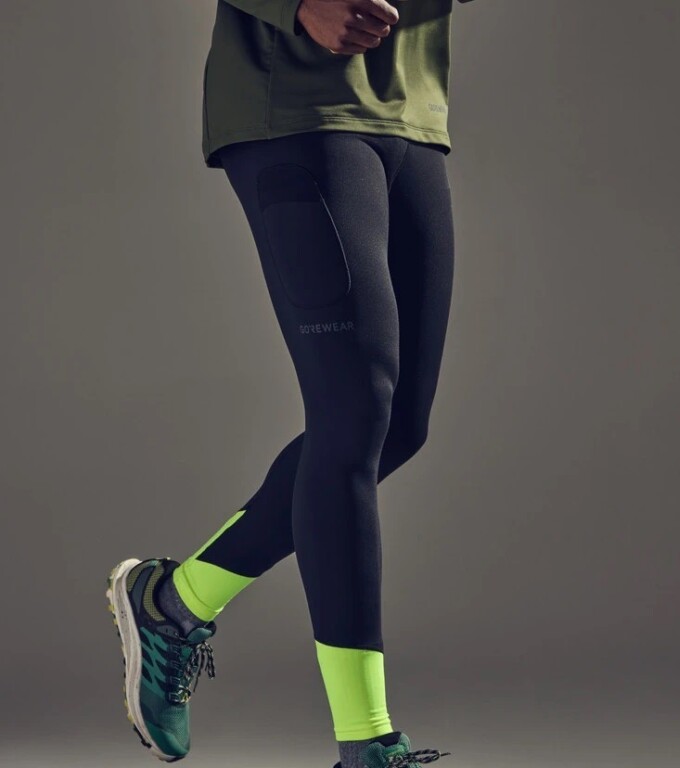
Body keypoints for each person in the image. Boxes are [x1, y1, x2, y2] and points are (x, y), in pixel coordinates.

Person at [105, 1, 475, 766]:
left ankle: (172, 604)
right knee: (352, 415)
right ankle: (367, 742)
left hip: (409, 110)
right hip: (296, 104)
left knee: (397, 427)